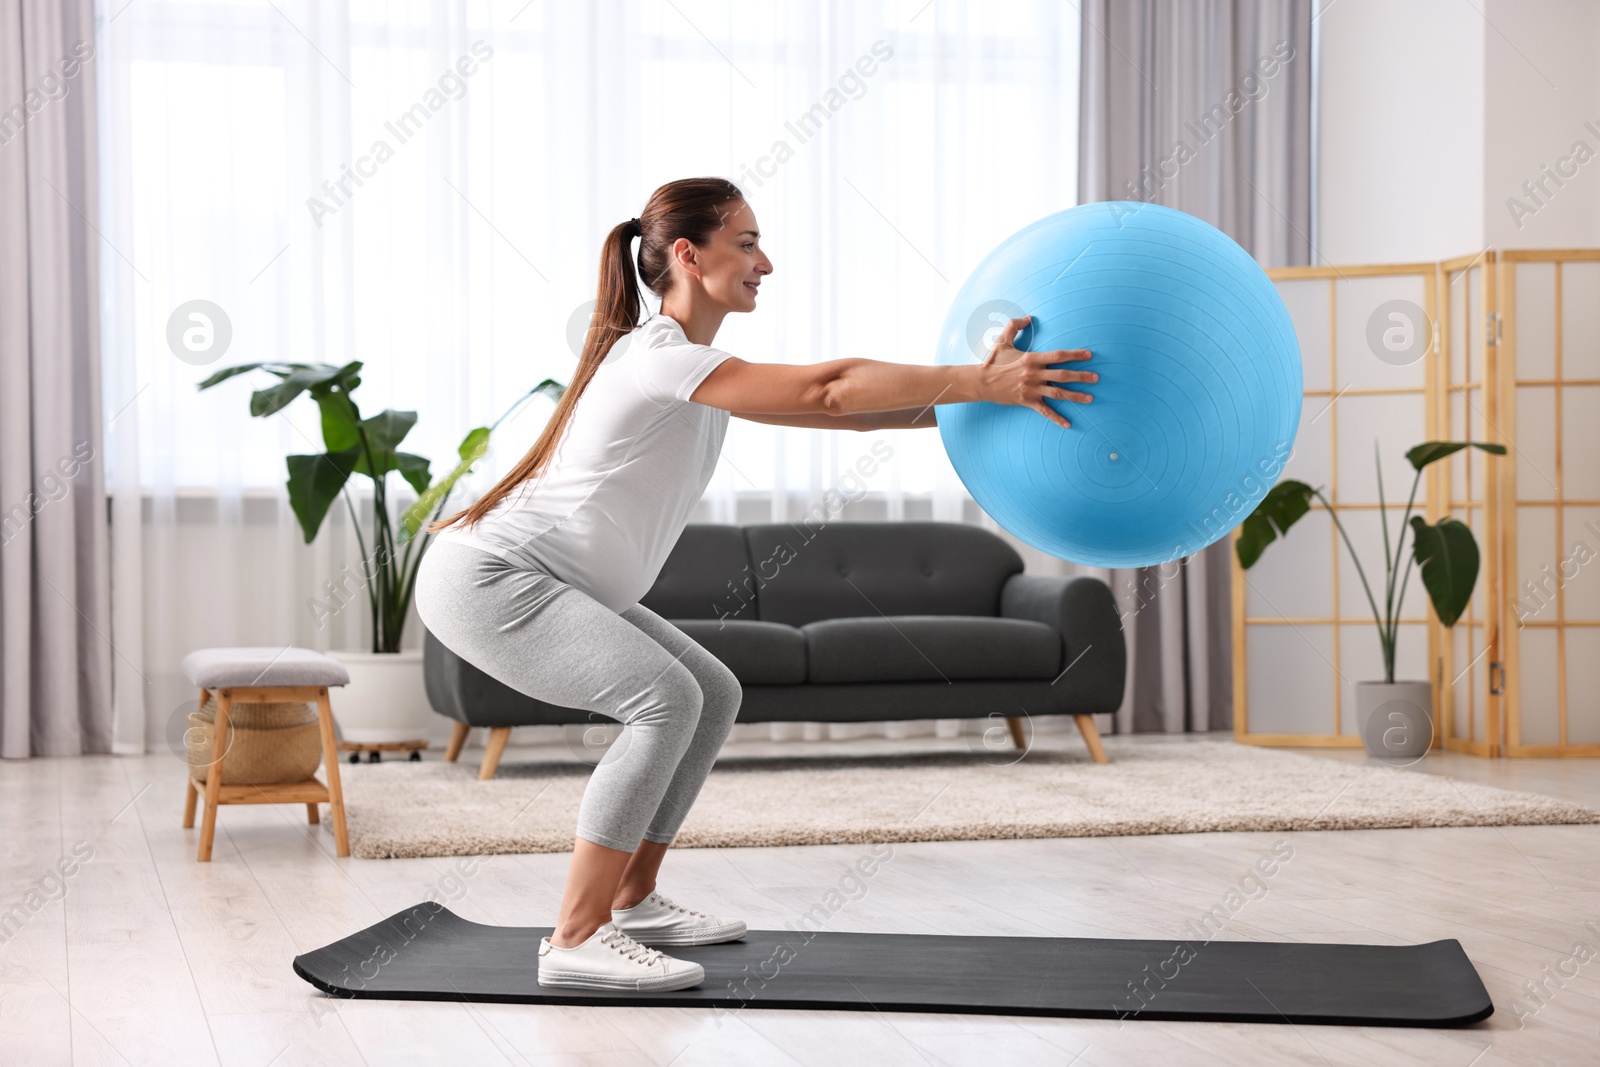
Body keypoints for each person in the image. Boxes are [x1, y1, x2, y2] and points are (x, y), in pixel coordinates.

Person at [413, 175, 1095, 992]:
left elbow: (846, 409)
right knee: (663, 699)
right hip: (494, 579)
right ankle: (574, 935)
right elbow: (828, 386)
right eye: (747, 243)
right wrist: (978, 381)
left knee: (710, 689)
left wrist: (988, 394)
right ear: (688, 255)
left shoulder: (693, 372)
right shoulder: (661, 361)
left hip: (547, 580)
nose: (764, 261)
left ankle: (631, 899)